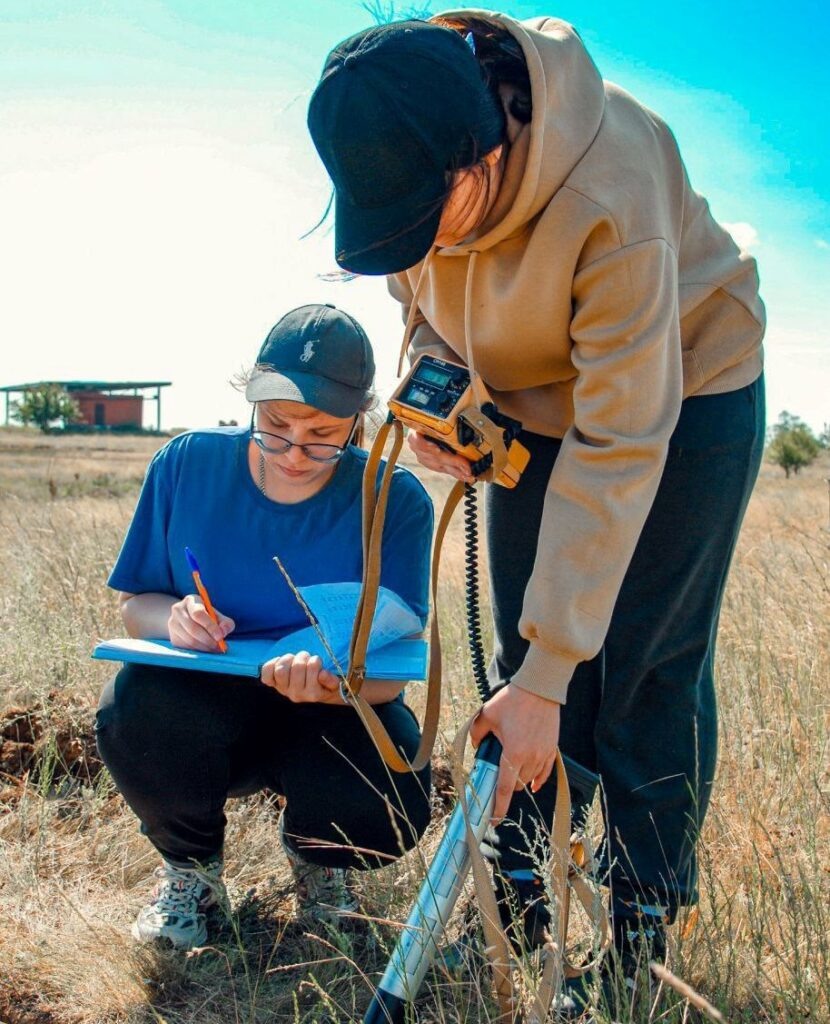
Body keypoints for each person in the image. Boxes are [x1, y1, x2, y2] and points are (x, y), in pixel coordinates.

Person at [307, 12, 765, 1000]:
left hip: (679, 400)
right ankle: (510, 913)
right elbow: (423, 309)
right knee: (520, 673)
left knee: (639, 672)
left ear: (475, 158)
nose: (413, 242)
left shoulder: (611, 184)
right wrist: (437, 386)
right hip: (531, 402)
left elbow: (620, 440)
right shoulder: (410, 158)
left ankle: (632, 947)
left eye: (424, 216)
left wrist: (554, 670)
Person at [96, 304, 434, 950]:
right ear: (249, 400)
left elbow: (392, 674)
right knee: (134, 705)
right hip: (204, 706)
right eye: (275, 427)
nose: (296, 455)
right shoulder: (187, 464)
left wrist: (337, 686)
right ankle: (191, 874)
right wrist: (172, 617)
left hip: (331, 711)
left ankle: (321, 867)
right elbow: (134, 604)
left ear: (360, 419)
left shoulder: (396, 499)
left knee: (388, 790)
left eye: (324, 435)